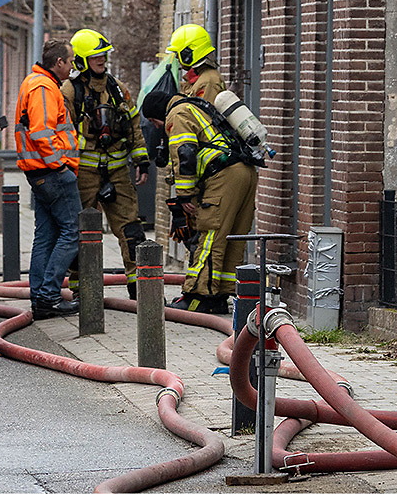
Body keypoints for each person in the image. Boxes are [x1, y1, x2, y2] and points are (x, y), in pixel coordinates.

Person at [142, 86, 258, 314]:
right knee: (232, 237)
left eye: (155, 124)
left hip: (224, 175)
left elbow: (185, 152)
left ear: (156, 116)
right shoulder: (196, 106)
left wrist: (185, 194)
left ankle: (198, 296)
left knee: (210, 236)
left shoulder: (178, 114)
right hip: (245, 172)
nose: (158, 129)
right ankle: (220, 294)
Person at [61, 30, 148, 299]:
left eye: (104, 54)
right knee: (82, 228)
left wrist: (141, 160)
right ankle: (81, 290)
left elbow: (134, 126)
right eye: (96, 55)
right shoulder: (69, 91)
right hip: (83, 171)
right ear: (83, 60)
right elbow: (63, 131)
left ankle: (140, 288)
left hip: (117, 168)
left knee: (130, 227)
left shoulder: (118, 90)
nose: (102, 59)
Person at [15, 39, 81, 320]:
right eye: (70, 61)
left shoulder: (36, 83)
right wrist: (60, 166)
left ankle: (41, 298)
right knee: (72, 231)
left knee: (45, 235)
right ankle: (49, 296)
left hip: (40, 173)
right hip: (52, 173)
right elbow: (42, 133)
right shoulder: (43, 87)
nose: (72, 67)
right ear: (59, 63)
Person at [165, 24, 224, 102]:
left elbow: (202, 112)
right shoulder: (201, 77)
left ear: (187, 53)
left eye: (178, 53)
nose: (177, 57)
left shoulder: (208, 82)